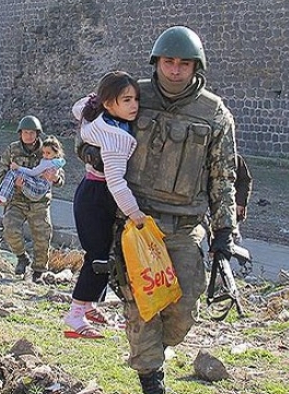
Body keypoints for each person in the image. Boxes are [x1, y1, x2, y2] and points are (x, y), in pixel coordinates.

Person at [86, 26, 238, 394]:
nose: (175, 69)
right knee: (141, 307)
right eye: (168, 61)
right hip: (136, 225)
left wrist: (224, 234)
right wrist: (93, 154)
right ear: (157, 62)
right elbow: (90, 128)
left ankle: (155, 350)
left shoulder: (214, 114)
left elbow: (223, 177)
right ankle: (151, 379)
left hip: (185, 228)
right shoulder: (131, 95)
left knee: (184, 308)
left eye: (184, 63)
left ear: (196, 66)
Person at [64, 71, 146, 339]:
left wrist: (94, 99)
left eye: (135, 99)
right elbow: (116, 182)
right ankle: (75, 315)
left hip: (91, 192)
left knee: (103, 255)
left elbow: (79, 108)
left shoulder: (96, 117)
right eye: (126, 100)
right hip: (98, 197)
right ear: (109, 103)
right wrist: (135, 214)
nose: (134, 106)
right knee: (98, 258)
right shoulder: (115, 137)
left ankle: (88, 304)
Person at [0, 115, 65, 282]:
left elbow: (60, 176)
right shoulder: (12, 150)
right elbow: (2, 174)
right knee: (10, 229)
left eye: (32, 133)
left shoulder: (47, 149)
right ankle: (21, 257)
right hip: (17, 200)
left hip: (39, 201)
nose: (29, 136)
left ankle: (39, 271)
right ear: (20, 134)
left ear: (38, 134)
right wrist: (15, 184)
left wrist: (55, 178)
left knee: (42, 236)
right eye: (25, 132)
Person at [0, 135, 66, 206]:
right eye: (43, 153)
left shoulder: (48, 163)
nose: (44, 155)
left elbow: (33, 173)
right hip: (34, 189)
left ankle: (1, 197)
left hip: (39, 188)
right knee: (13, 173)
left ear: (56, 152)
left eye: (48, 153)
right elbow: (2, 171)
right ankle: (0, 196)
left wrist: (18, 167)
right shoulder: (56, 162)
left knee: (14, 172)